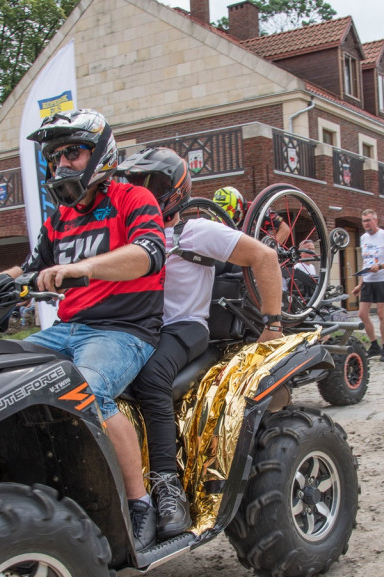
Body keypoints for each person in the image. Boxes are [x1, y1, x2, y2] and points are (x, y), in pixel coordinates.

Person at [2, 109, 167, 551]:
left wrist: (84, 267)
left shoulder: (133, 198)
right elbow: (29, 270)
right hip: (67, 329)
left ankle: (139, 503)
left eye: (72, 153)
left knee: (89, 391)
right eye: (56, 157)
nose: (62, 165)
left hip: (124, 330)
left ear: (100, 153)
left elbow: (148, 254)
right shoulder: (60, 217)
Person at [121, 147, 283, 540]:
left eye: (152, 184)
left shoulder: (197, 231)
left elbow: (264, 256)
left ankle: (167, 488)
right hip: (140, 328)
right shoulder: (126, 236)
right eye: (135, 184)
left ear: (174, 191)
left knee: (151, 378)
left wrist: (273, 325)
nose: (142, 192)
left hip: (186, 328)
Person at [352, 209, 384, 361]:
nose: (366, 223)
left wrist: (380, 267)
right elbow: (365, 262)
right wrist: (360, 284)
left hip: (382, 280)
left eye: (368, 220)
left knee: (381, 314)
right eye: (364, 221)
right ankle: (374, 344)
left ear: (376, 220)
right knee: (362, 314)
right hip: (368, 280)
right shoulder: (363, 238)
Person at [213, 186, 290, 244]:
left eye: (234, 216)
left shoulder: (255, 210)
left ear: (239, 207)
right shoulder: (215, 217)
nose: (228, 221)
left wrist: (272, 247)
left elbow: (285, 229)